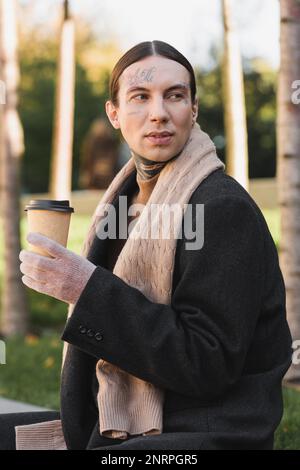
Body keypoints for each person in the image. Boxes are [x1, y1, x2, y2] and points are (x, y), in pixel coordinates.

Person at [1, 40, 292, 450]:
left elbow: (207, 365)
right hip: (115, 417)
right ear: (114, 114)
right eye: (140, 97)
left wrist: (85, 290)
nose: (159, 113)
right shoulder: (125, 200)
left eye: (175, 96)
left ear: (192, 110)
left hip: (202, 431)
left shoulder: (222, 208)